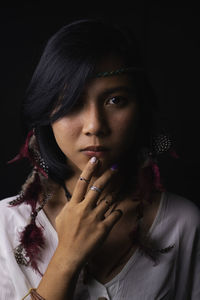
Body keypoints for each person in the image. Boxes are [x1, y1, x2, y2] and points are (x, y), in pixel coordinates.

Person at [0, 19, 199, 300]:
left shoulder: (181, 222)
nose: (95, 125)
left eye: (116, 100)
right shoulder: (5, 226)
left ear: (140, 109)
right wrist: (66, 258)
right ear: (47, 113)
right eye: (72, 103)